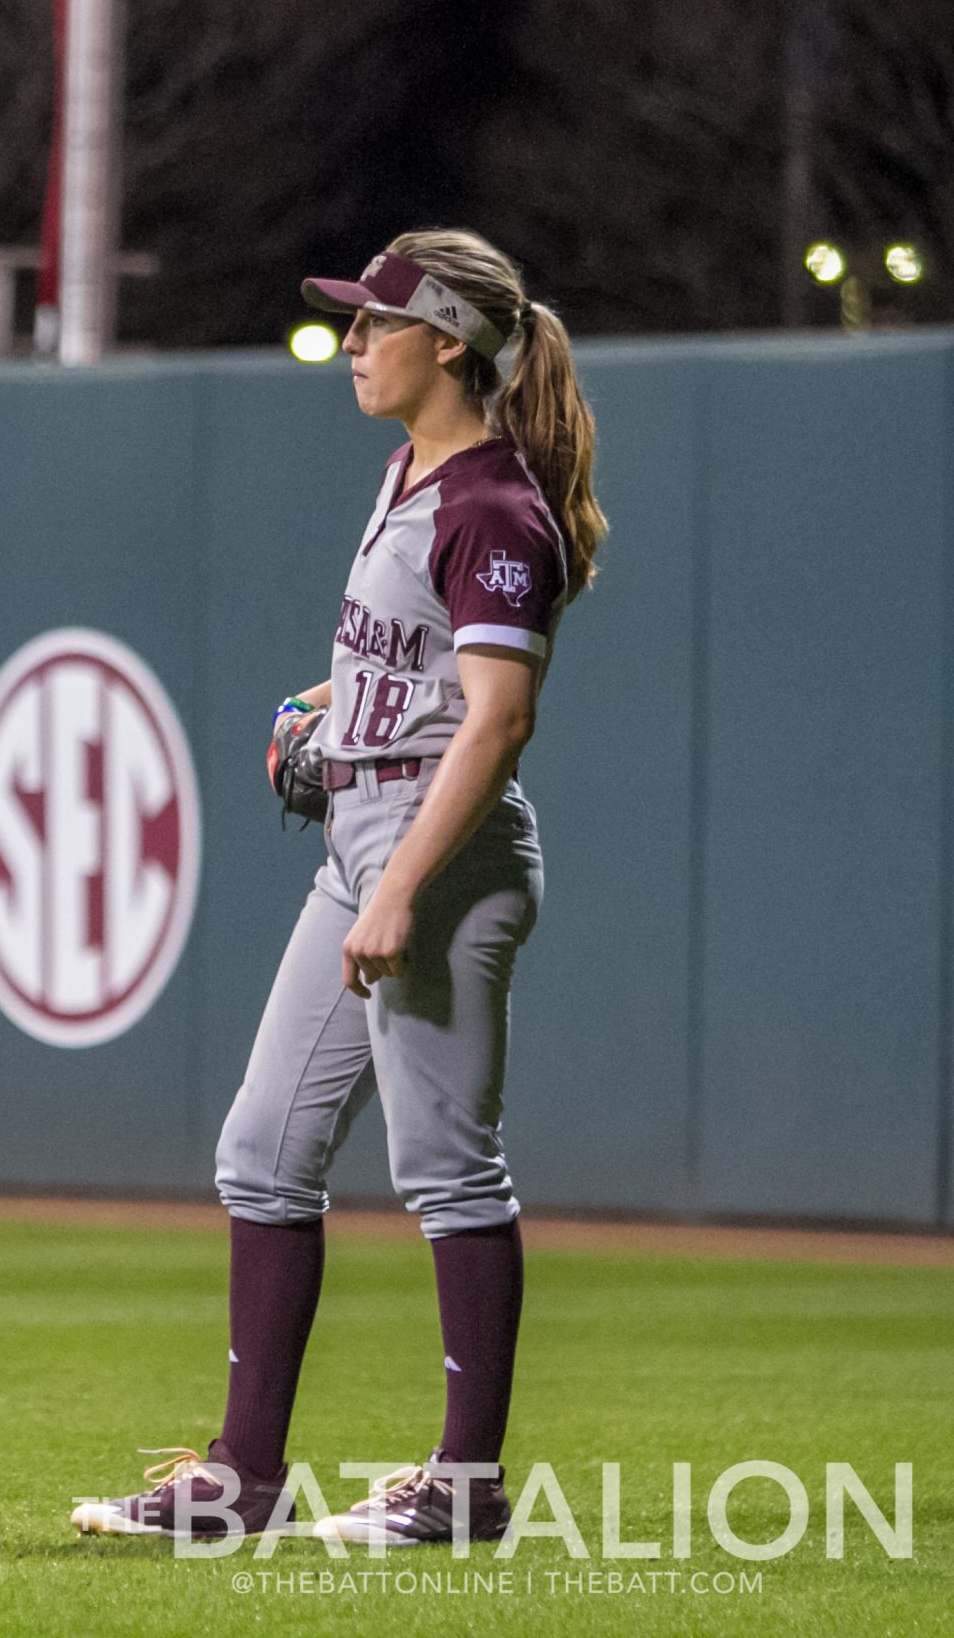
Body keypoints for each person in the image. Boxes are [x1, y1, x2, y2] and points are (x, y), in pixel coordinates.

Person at [72, 229, 609, 1547]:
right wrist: (335, 705)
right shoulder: (411, 473)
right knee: (262, 1153)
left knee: (445, 1168)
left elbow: (495, 722)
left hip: (443, 856)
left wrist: (398, 887)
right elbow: (419, 669)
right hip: (363, 838)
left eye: (376, 325)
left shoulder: (495, 505)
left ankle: (466, 1490)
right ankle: (243, 1482)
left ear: (446, 342)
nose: (353, 344)